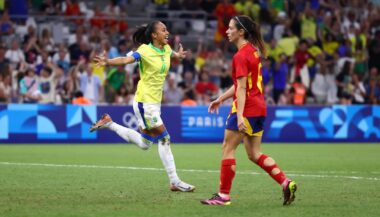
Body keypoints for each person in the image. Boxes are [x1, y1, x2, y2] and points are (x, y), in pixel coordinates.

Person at [201, 15, 297, 206]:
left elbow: (242, 89)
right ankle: (286, 182)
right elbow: (240, 85)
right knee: (254, 153)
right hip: (259, 108)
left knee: (228, 148)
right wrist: (220, 98)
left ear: (241, 31)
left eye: (230, 28)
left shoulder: (240, 56)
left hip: (247, 108)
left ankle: (223, 196)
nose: (227, 31)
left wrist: (240, 116)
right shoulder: (252, 52)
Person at [90, 21, 195, 192]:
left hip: (155, 103)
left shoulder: (166, 49)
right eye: (163, 30)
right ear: (154, 35)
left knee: (145, 143)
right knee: (165, 138)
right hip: (144, 102)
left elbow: (172, 54)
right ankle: (174, 181)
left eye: (167, 29)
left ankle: (109, 123)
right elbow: (126, 59)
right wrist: (108, 62)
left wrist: (179, 55)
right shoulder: (144, 50)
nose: (167, 32)